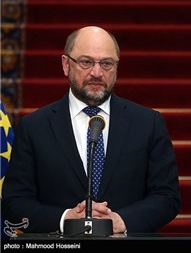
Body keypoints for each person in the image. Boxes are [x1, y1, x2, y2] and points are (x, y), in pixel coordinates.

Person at [1, 26, 180, 235]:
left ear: (117, 67)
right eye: (86, 62)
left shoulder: (148, 123)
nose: (97, 73)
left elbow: (168, 197)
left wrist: (121, 221)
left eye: (106, 63)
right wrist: (65, 218)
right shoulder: (34, 127)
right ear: (66, 65)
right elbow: (14, 203)